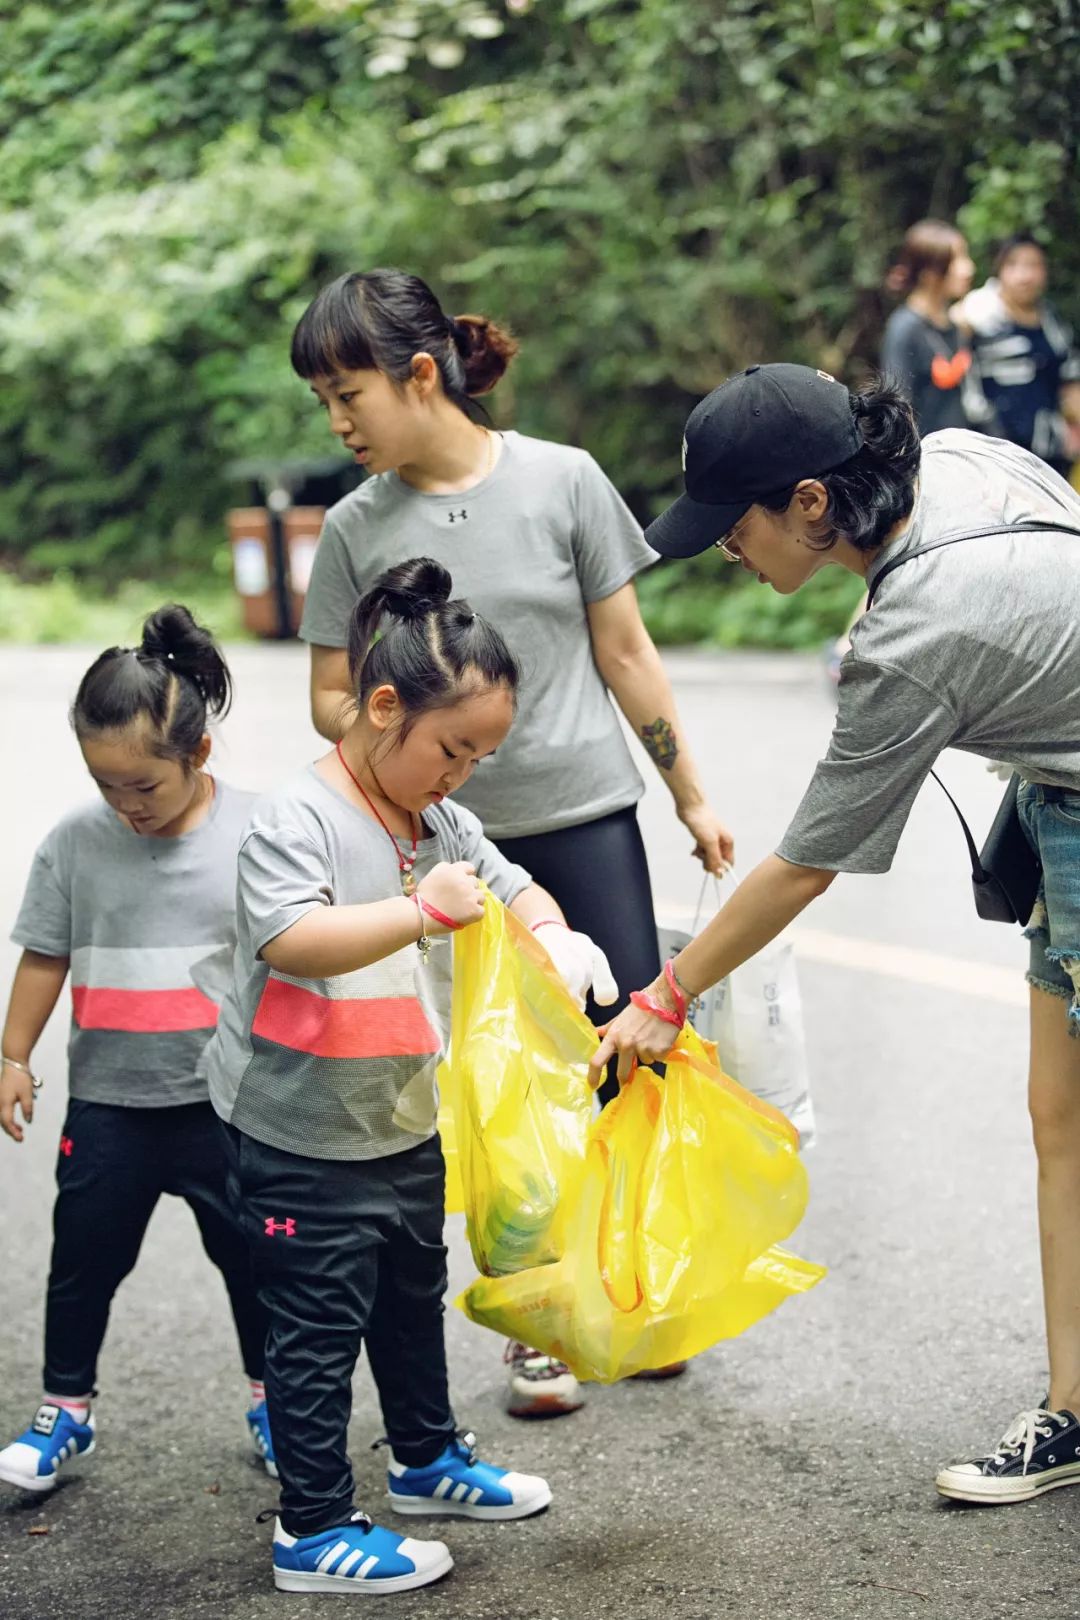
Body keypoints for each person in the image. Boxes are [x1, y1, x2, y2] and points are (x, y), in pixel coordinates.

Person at [592, 363, 1080, 1507]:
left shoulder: (915, 633)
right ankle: (1073, 1405)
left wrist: (664, 999)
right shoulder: (954, 457)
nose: (725, 551)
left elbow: (805, 865)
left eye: (734, 526)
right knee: (1057, 1116)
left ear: (812, 502)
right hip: (1060, 806)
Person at [291, 267, 734, 1416]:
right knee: (494, 1091)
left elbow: (627, 652)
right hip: (446, 851)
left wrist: (687, 793)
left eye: (349, 394)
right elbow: (330, 703)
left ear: (421, 375)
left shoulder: (563, 482)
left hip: (584, 813)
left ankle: (628, 1287)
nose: (337, 422)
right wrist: (409, 725)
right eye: (325, 401)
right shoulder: (351, 530)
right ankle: (537, 1317)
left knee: (622, 1055)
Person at [206, 559, 616, 1596]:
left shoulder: (438, 822)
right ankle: (310, 1528)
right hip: (304, 1134)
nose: (461, 775)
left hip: (399, 1120)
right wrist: (419, 912)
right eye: (451, 748)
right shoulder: (298, 817)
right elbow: (290, 938)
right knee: (315, 1330)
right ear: (382, 707)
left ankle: (425, 1459)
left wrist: (558, 936)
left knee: (407, 1298)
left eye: (481, 756)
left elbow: (512, 884)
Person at [0, 607, 274, 1495]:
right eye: (106, 783)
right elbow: (45, 951)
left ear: (197, 756)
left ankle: (277, 1405)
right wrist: (12, 1056)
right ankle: (64, 1411)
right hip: (111, 1102)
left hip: (227, 1103)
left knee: (253, 1263)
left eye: (144, 787)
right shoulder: (77, 842)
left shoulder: (259, 831)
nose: (126, 805)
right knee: (82, 1259)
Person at [956, 232, 1080, 478]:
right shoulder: (979, 311)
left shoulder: (1052, 324)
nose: (1024, 275)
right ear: (999, 270)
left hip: (1048, 452)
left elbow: (1070, 382)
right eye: (1013, 265)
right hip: (993, 453)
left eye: (1033, 265)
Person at [880, 219, 982, 436]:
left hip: (962, 454)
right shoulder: (904, 328)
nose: (969, 268)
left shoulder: (957, 327)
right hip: (928, 459)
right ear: (930, 272)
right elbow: (897, 410)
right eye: (959, 259)